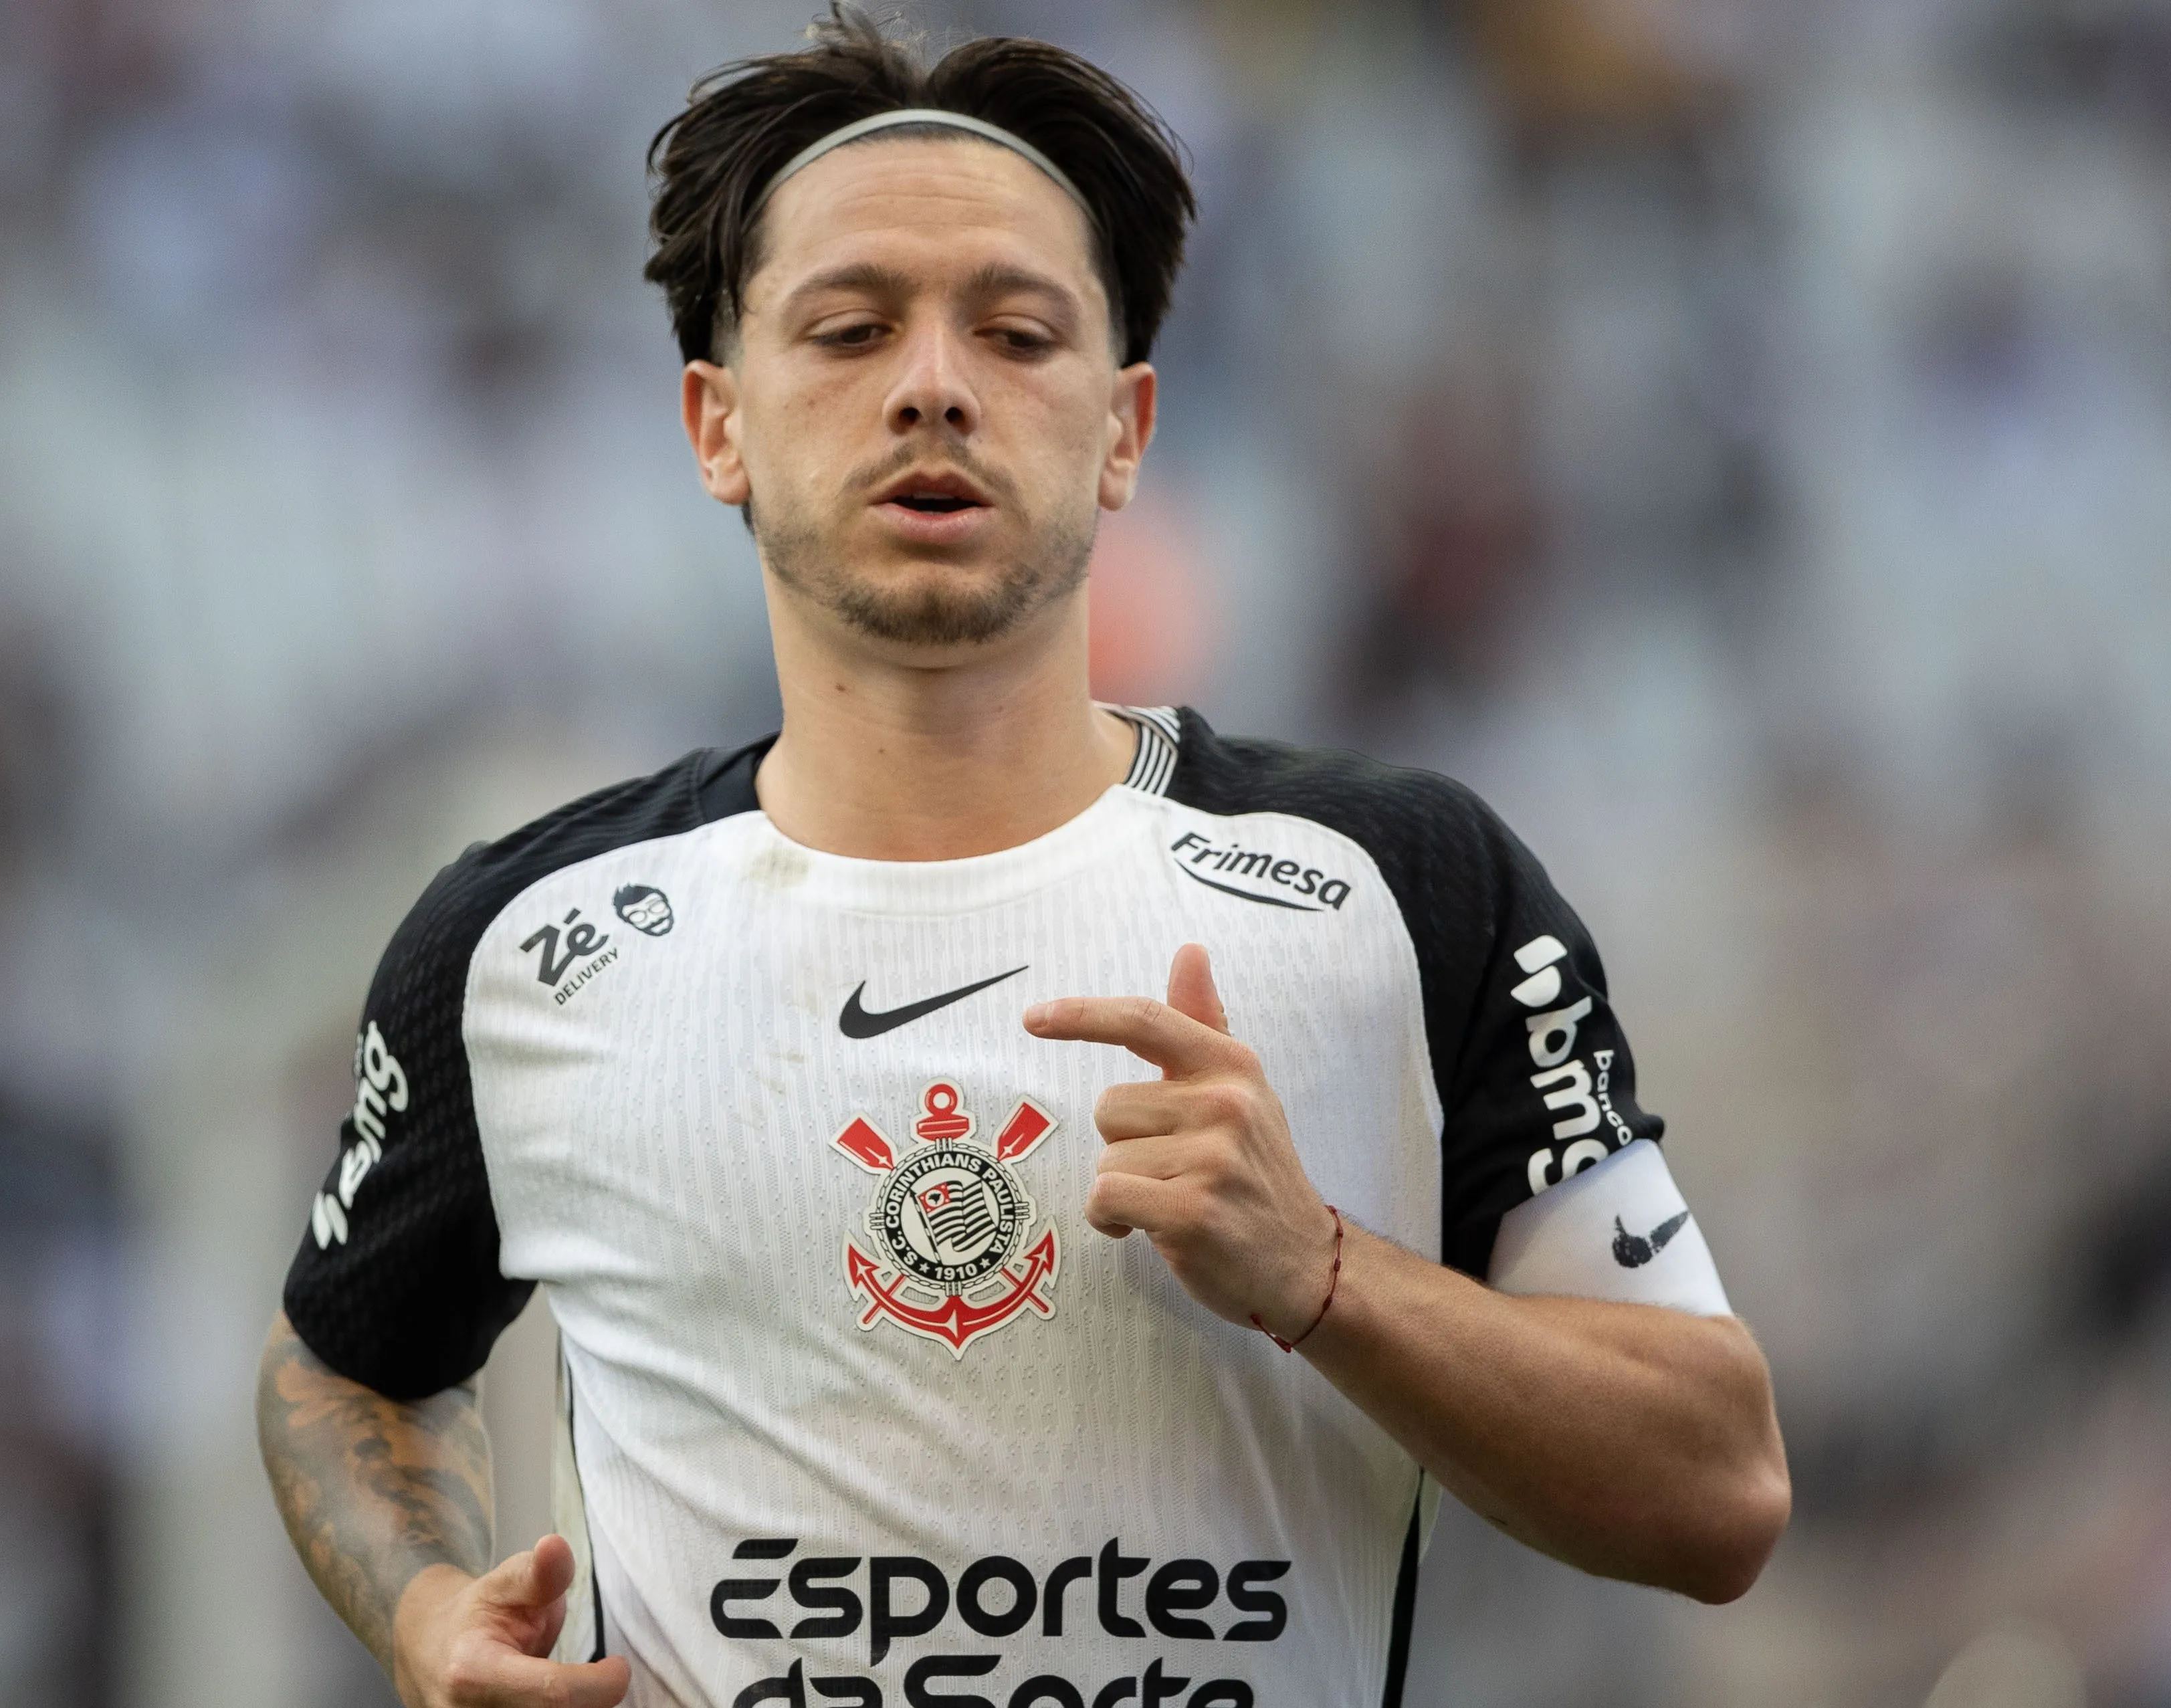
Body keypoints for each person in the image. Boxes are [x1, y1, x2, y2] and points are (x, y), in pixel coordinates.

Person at [255, 11, 1788, 1706]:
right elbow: (342, 1370)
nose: (931, 382)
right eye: (846, 329)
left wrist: (1326, 1274)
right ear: (717, 425)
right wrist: (421, 1610)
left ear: (1123, 428)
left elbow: (1719, 1485)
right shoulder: (525, 942)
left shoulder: (1401, 887)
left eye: (1014, 329)